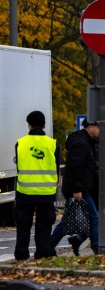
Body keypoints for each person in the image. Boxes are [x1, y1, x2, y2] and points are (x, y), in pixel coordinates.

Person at [50, 118, 100, 256]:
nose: (99, 131)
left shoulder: (84, 142)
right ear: (90, 127)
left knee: (68, 219)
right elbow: (74, 168)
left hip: (80, 187)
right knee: (94, 217)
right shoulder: (82, 144)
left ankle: (49, 246)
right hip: (78, 188)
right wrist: (77, 190)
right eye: (98, 128)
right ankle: (97, 248)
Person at [14, 111, 60, 260]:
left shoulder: (20, 143)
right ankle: (42, 254)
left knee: (23, 225)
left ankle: (21, 255)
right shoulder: (53, 144)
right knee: (44, 225)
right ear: (44, 125)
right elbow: (56, 168)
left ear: (29, 124)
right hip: (46, 192)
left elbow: (19, 168)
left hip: (24, 192)